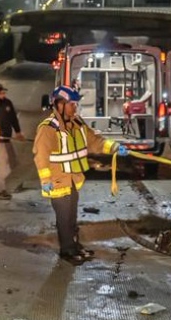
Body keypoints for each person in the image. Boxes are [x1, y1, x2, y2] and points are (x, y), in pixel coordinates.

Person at [33, 85, 127, 265]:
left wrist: (114, 147)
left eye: (75, 104)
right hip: (57, 181)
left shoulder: (77, 124)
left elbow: (95, 141)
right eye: (71, 104)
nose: (75, 107)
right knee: (64, 219)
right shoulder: (48, 128)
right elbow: (41, 156)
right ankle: (67, 251)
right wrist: (45, 179)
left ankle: (74, 246)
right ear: (59, 105)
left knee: (72, 217)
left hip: (73, 180)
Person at [0, 82, 26, 198]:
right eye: (0, 92)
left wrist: (18, 132)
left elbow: (13, 118)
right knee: (3, 166)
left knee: (13, 162)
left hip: (7, 139)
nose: (3, 94)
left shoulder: (7, 103)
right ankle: (1, 190)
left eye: (4, 92)